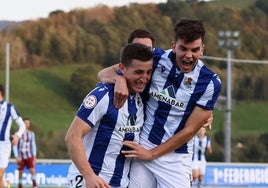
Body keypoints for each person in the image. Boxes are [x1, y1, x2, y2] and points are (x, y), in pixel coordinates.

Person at [98, 18, 222, 188]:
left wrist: (152, 154)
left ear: (202, 50)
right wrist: (119, 79)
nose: (188, 55)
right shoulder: (155, 58)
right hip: (143, 147)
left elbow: (190, 130)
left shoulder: (210, 82)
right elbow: (104, 73)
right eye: (183, 49)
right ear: (173, 45)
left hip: (176, 159)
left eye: (195, 50)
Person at [65, 43, 153, 188]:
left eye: (148, 72)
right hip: (90, 182)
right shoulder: (103, 95)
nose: (144, 78)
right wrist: (89, 176)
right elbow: (72, 137)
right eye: (138, 72)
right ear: (122, 69)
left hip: (120, 183)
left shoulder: (139, 101)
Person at [0, 84, 26, 188]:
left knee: (0, 174)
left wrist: (17, 136)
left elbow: (22, 126)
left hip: (4, 145)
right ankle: (6, 184)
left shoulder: (10, 108)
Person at [13, 118, 37, 188]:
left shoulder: (31, 134)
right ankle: (20, 186)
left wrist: (34, 156)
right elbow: (15, 145)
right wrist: (16, 156)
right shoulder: (17, 134)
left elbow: (33, 145)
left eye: (28, 123)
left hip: (29, 155)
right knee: (20, 172)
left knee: (32, 170)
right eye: (25, 123)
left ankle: (35, 185)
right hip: (21, 156)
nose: (27, 124)